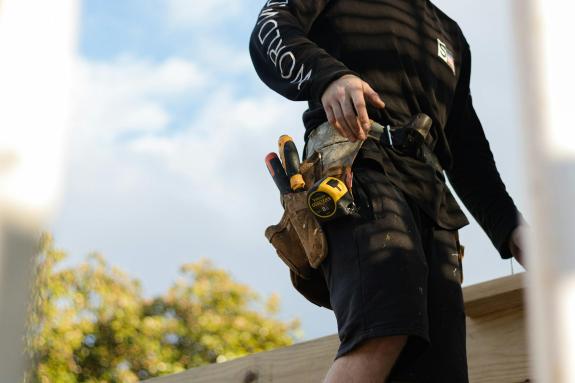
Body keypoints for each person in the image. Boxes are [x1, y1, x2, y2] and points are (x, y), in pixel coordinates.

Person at [249, 1, 526, 382]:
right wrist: (328, 77)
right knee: (383, 327)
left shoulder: (450, 35)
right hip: (357, 168)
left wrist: (511, 227)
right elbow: (270, 29)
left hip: (433, 205)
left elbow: (464, 148)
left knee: (440, 372)